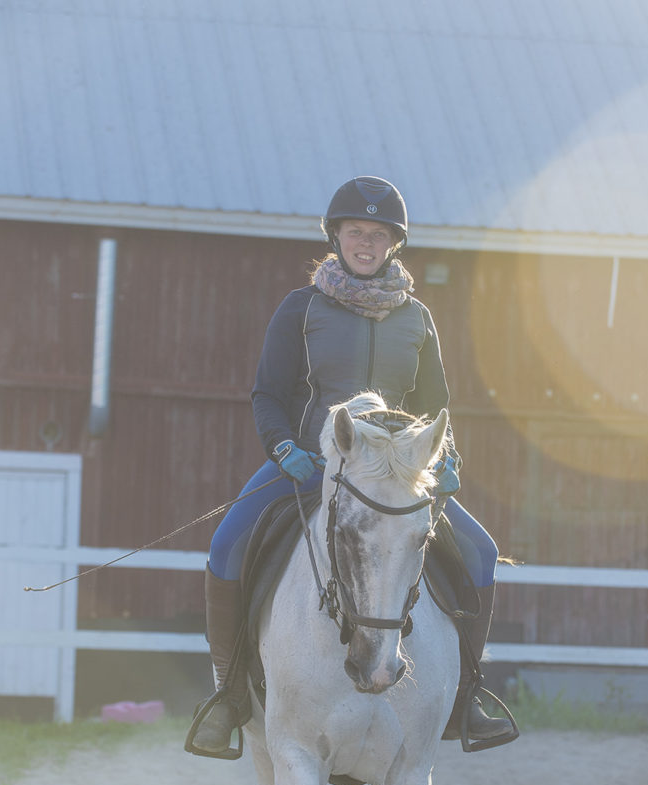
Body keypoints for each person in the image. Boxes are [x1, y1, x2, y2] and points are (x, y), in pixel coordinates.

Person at [191, 176, 516, 755]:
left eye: (378, 234)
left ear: (394, 243)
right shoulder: (303, 308)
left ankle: (467, 696)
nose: (365, 242)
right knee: (225, 546)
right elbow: (267, 393)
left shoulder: (417, 317)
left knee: (483, 555)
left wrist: (445, 461)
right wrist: (282, 448)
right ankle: (228, 693)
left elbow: (436, 406)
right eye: (355, 231)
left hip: (394, 474)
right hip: (310, 462)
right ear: (336, 236)